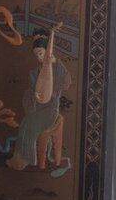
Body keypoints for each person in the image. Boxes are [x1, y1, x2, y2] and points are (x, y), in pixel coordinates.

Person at [7, 24, 71, 170]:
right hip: (37, 110)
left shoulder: (57, 68)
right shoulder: (33, 73)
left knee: (28, 123)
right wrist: (33, 95)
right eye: (36, 55)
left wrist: (56, 62)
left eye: (41, 53)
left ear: (48, 52)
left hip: (50, 112)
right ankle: (22, 158)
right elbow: (29, 92)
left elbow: (66, 82)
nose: (39, 57)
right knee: (25, 122)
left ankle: (24, 159)